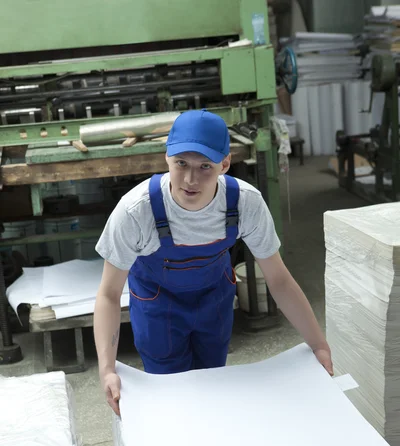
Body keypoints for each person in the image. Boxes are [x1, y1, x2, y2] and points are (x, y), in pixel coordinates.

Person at [94, 109, 333, 415]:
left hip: (213, 303)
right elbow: (108, 295)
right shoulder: (136, 211)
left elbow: (279, 280)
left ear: (225, 164)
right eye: (181, 163)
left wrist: (319, 345)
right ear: (166, 157)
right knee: (171, 399)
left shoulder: (244, 203)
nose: (191, 179)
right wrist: (107, 369)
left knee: (213, 387)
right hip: (158, 308)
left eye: (205, 166)